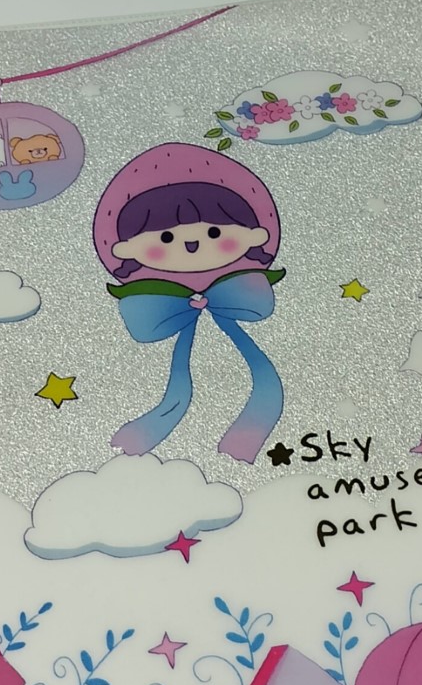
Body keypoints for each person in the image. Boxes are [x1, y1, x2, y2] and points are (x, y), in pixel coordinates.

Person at [93, 143, 285, 464]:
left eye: (214, 232)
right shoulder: (151, 306)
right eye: (166, 237)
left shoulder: (245, 290)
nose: (193, 244)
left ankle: (239, 448)